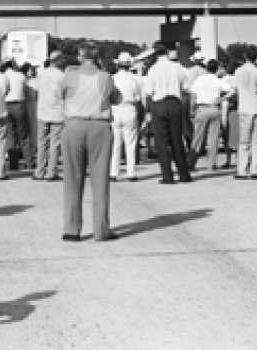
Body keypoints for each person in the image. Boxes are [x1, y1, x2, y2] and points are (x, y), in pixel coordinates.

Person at [61, 43, 118, 242]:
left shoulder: (69, 76)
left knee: (72, 179)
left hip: (74, 126)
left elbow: (60, 95)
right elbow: (116, 98)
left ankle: (71, 229)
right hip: (99, 127)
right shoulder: (106, 77)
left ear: (79, 56)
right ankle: (101, 230)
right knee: (100, 181)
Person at [144, 42, 191, 184]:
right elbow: (186, 87)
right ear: (167, 52)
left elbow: (148, 91)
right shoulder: (178, 67)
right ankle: (184, 174)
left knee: (162, 142)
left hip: (159, 104)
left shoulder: (153, 69)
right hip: (175, 103)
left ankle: (167, 176)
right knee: (177, 140)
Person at [188, 59, 231, 170]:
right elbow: (231, 90)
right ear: (217, 69)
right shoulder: (218, 80)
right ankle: (211, 164)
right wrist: (223, 98)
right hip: (214, 108)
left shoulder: (199, 80)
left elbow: (193, 97)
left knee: (197, 137)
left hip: (201, 108)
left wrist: (192, 110)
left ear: (206, 68)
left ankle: (191, 163)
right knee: (213, 138)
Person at [234, 47, 257, 179]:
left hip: (245, 107)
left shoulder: (239, 71)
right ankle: (255, 169)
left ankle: (242, 170)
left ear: (245, 56)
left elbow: (235, 88)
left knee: (244, 141)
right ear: (256, 58)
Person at [109, 52, 143, 181]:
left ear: (118, 64)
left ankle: (114, 172)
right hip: (130, 108)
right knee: (131, 143)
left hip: (116, 109)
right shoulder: (135, 79)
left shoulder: (112, 78)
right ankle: (131, 173)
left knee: (116, 143)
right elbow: (139, 97)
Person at [33, 52, 66, 181]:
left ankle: (39, 171)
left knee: (41, 143)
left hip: (42, 112)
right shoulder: (63, 76)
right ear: (59, 61)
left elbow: (36, 90)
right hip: (57, 112)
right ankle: (51, 172)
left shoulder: (41, 74)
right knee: (54, 144)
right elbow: (66, 94)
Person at [3, 59, 30, 170]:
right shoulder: (20, 76)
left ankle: (13, 164)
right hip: (19, 106)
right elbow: (25, 89)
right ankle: (29, 161)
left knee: (10, 135)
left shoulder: (3, 76)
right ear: (13, 65)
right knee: (23, 135)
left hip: (6, 105)